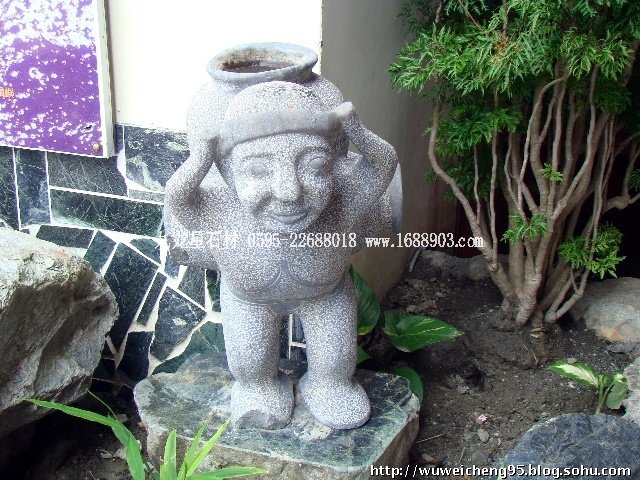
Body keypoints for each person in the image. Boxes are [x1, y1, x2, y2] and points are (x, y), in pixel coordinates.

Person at [165, 81, 398, 429]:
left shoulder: (344, 201)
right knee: (250, 364)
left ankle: (329, 386)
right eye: (257, 170)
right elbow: (179, 198)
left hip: (326, 295)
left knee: (336, 361)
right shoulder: (219, 210)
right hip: (248, 300)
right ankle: (258, 390)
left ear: (334, 167)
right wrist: (201, 158)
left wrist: (356, 131)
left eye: (314, 166)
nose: (289, 192)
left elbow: (383, 164)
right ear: (227, 173)